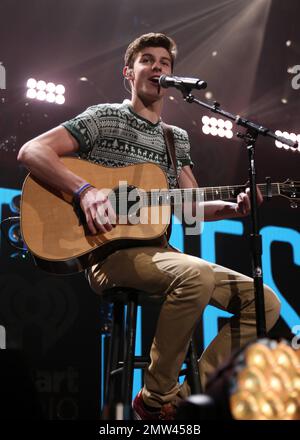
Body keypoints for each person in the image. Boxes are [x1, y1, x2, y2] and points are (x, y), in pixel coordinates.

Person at [18, 32, 281, 420]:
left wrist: (235, 208)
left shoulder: (176, 140)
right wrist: (86, 191)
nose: (157, 67)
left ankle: (185, 399)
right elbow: (32, 151)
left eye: (164, 62)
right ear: (129, 72)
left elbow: (190, 208)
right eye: (147, 60)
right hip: (109, 254)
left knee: (265, 302)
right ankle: (156, 400)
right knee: (195, 276)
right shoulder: (104, 117)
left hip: (161, 253)